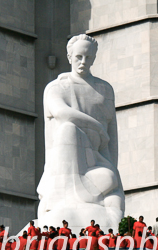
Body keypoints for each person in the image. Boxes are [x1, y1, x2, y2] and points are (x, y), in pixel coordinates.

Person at [35, 34, 125, 230]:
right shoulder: (56, 87)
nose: (83, 62)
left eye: (88, 58)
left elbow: (112, 140)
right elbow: (61, 113)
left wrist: (113, 171)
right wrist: (97, 127)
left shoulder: (105, 90)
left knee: (110, 181)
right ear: (69, 57)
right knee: (68, 129)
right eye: (78, 57)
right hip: (64, 169)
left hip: (95, 165)